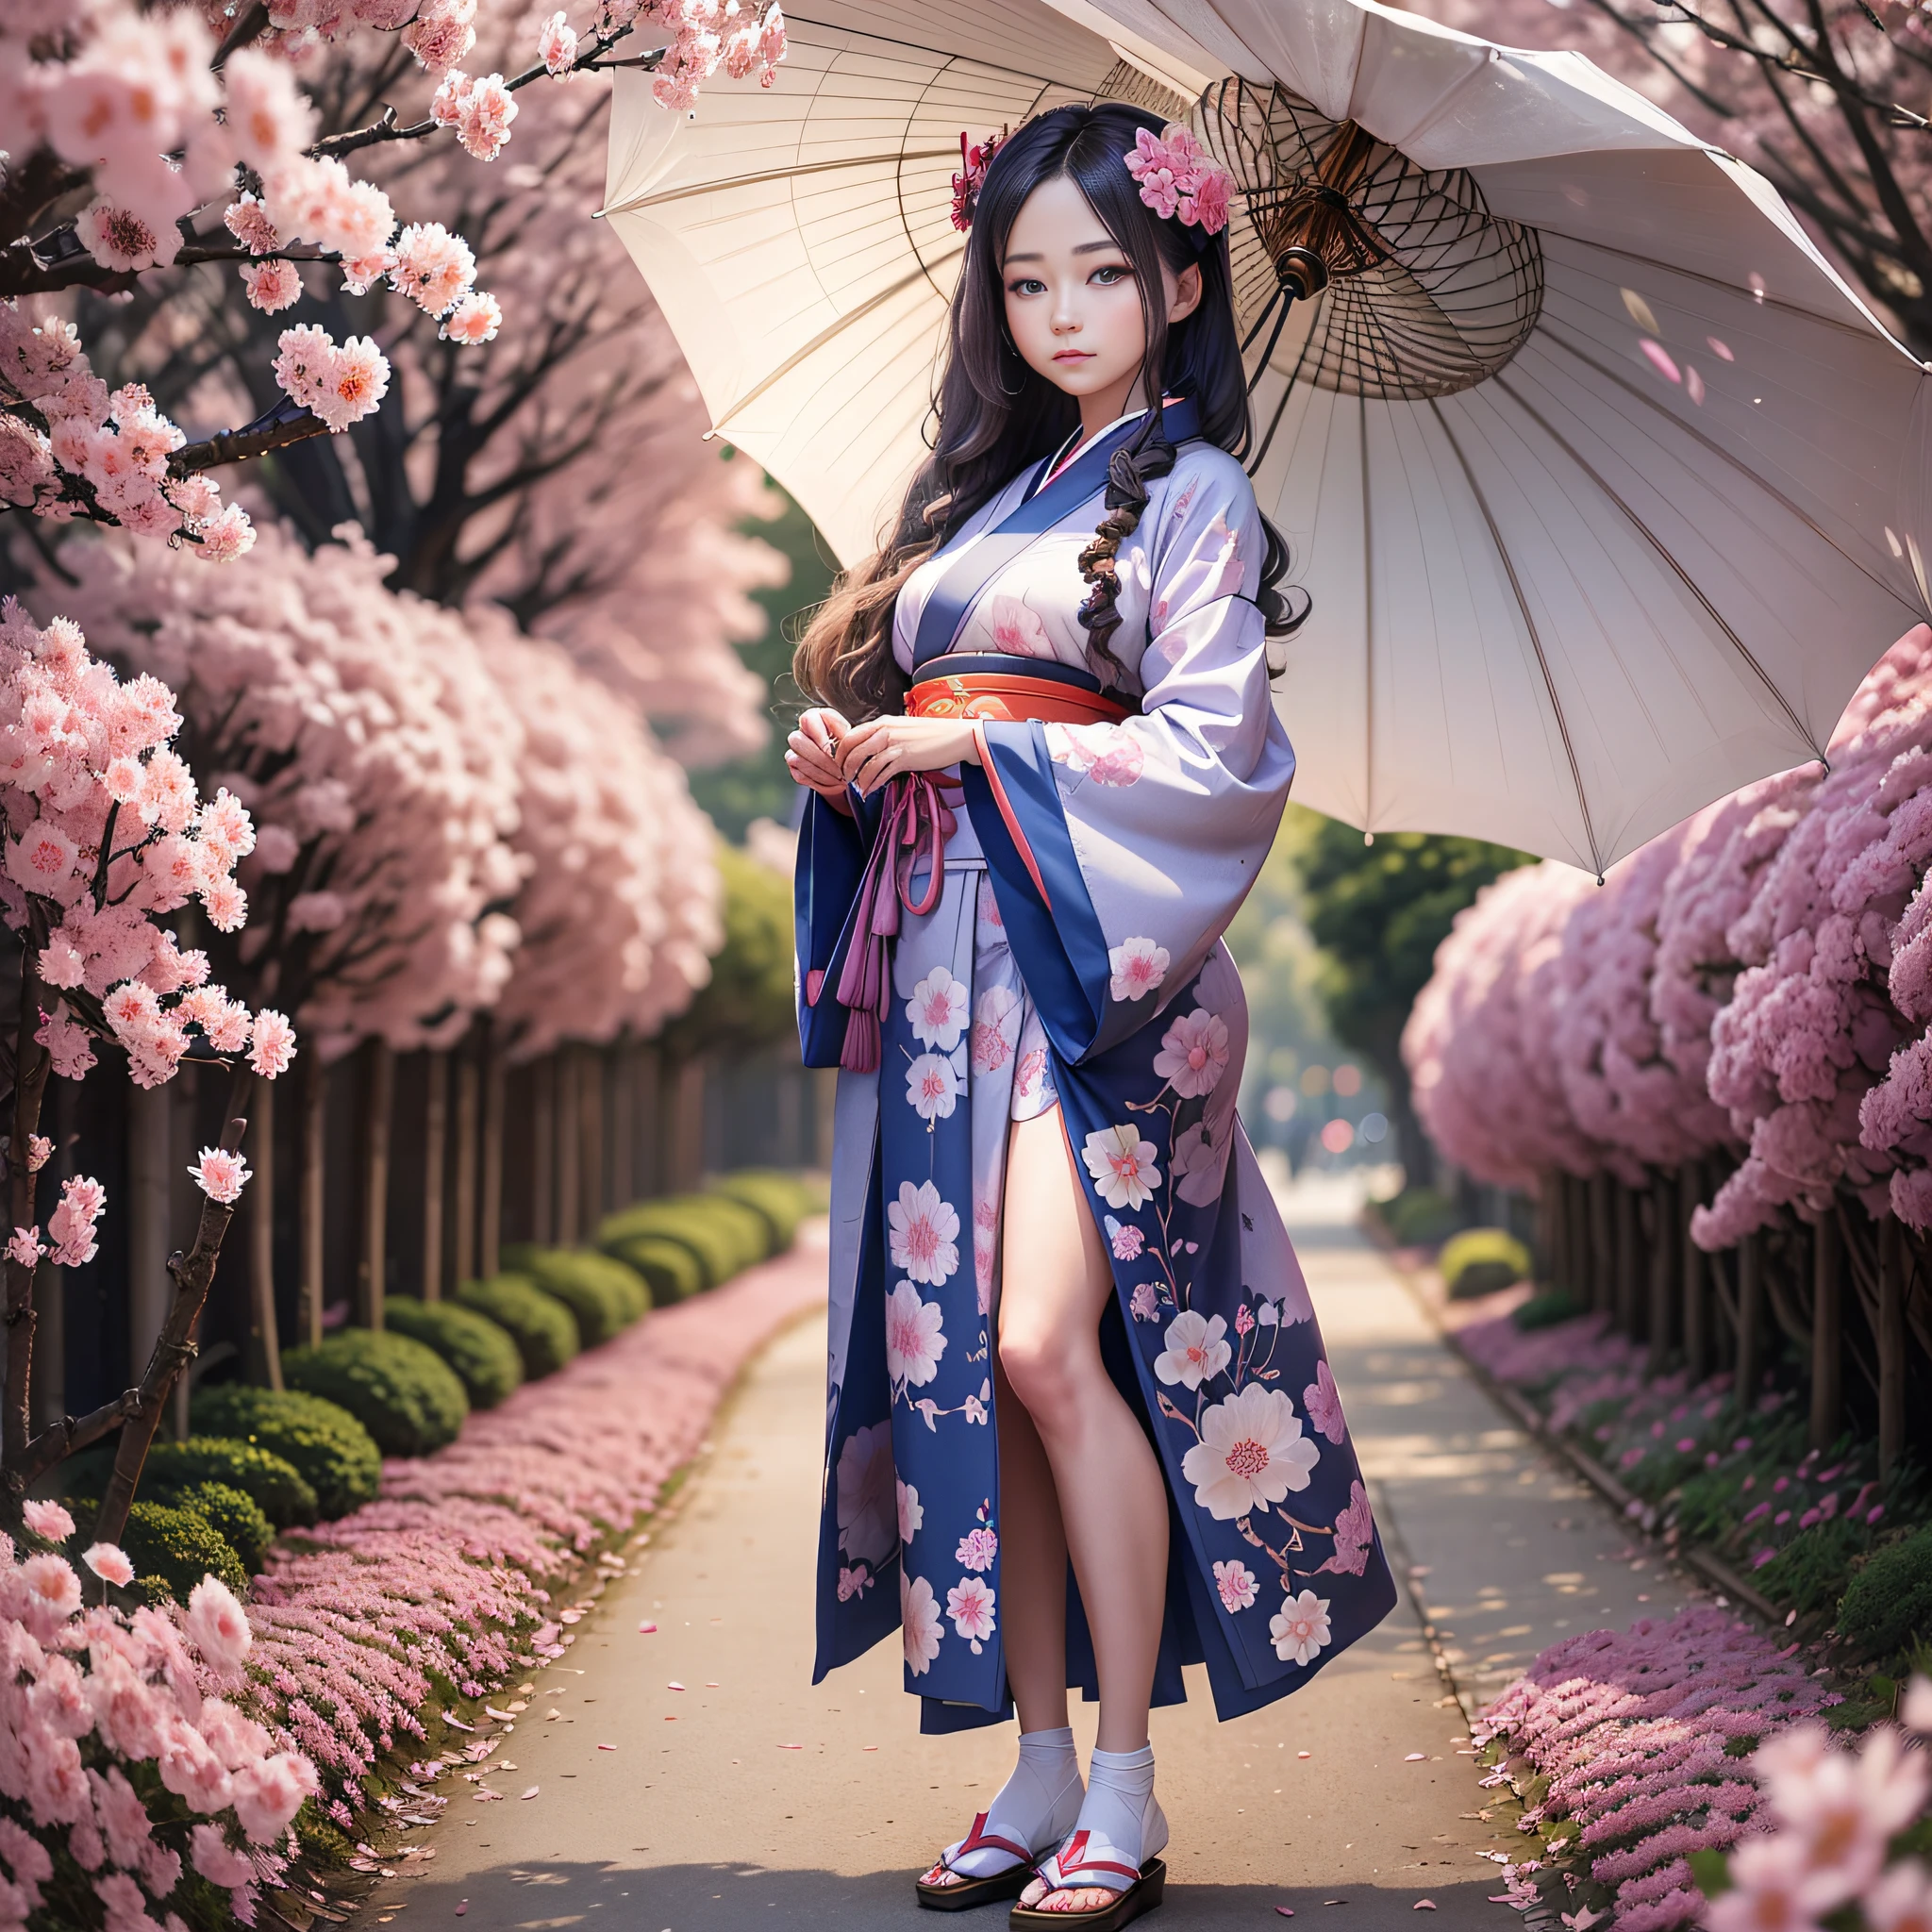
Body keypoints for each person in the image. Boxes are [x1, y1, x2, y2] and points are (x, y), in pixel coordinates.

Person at [784, 102, 1395, 1929]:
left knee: (1051, 1340)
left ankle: (1122, 1778)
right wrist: (851, 770)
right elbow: (937, 715)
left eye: (1102, 275)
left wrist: (976, 739)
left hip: (1093, 968)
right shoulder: (986, 495)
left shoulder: (1196, 493)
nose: (1060, 311)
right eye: (1027, 277)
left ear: (1180, 281)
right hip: (952, 949)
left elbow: (1216, 756)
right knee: (970, 1358)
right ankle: (1034, 1757)